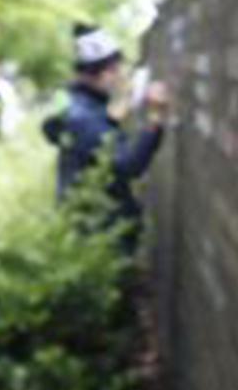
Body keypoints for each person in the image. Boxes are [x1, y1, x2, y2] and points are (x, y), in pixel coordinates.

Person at [41, 25, 167, 234]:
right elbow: (128, 165)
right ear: (105, 72)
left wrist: (111, 120)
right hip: (98, 230)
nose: (120, 78)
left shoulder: (78, 104)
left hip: (87, 223)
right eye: (117, 70)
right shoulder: (84, 118)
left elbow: (93, 147)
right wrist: (155, 119)